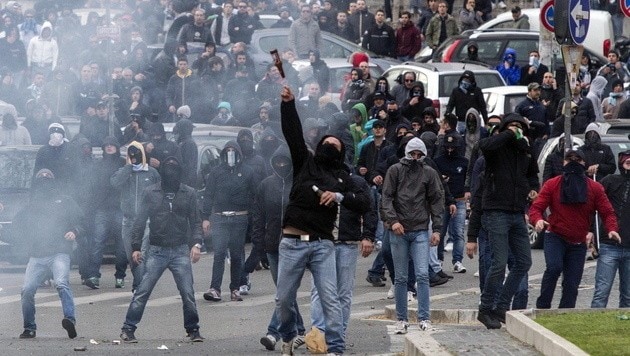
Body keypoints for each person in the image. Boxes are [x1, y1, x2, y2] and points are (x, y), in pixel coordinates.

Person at [275, 86, 370, 355]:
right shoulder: (305, 162)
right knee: (283, 299)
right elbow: (292, 132)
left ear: (340, 154)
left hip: (322, 245)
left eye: (335, 146)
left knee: (330, 298)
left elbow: (363, 202)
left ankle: (336, 348)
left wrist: (339, 196)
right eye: (327, 143)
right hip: (292, 241)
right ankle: (290, 335)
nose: (330, 146)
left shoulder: (343, 178)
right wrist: (288, 105)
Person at [119, 157, 204, 343]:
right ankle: (128, 328)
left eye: (174, 169)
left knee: (187, 292)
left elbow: (196, 221)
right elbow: (139, 222)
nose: (170, 172)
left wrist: (196, 244)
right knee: (143, 291)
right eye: (168, 169)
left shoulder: (188, 193)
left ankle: (193, 329)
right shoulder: (151, 192)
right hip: (157, 249)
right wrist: (135, 247)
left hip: (180, 249)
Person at [530, 150, 620, 309]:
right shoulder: (553, 184)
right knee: (554, 268)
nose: (572, 162)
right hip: (555, 235)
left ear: (584, 164)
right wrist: (537, 220)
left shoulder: (594, 187)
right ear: (563, 163)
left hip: (578, 241)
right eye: (569, 159)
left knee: (572, 282)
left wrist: (612, 229)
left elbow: (607, 212)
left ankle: (566, 312)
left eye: (577, 160)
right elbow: (536, 207)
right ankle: (542, 308)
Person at [476, 113, 539, 329]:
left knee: (524, 261)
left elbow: (533, 176)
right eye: (512, 126)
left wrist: (532, 189)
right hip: (496, 210)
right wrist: (507, 134)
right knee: (499, 263)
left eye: (520, 126)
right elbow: (484, 146)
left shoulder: (525, 150)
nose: (516, 129)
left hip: (516, 211)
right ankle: (485, 308)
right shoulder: (497, 147)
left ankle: (501, 307)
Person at [381, 137, 444, 334]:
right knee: (400, 277)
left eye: (419, 154)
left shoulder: (429, 173)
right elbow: (387, 198)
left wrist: (437, 229)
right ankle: (402, 319)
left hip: (419, 229)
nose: (416, 157)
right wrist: (393, 221)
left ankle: (424, 317)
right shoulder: (395, 170)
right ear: (406, 153)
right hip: (399, 229)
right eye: (412, 154)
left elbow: (436, 200)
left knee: (423, 275)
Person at [16, 169, 82, 339]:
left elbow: (81, 220)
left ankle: (70, 320)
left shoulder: (65, 201)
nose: (44, 182)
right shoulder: (32, 204)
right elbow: (18, 226)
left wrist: (75, 231)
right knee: (27, 290)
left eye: (48, 179)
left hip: (59, 252)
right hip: (37, 255)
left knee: (61, 283)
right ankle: (29, 328)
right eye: (41, 179)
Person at [310, 173, 376, 336]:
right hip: (322, 242)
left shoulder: (356, 183)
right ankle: (318, 332)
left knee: (343, 291)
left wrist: (367, 236)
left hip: (347, 242)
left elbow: (369, 208)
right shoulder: (316, 180)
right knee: (318, 289)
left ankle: (338, 333)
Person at [254, 145, 306, 351]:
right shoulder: (265, 186)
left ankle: (273, 333)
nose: (282, 165)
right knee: (285, 294)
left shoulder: (300, 185)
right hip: (272, 246)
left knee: (284, 293)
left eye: (286, 161)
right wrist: (259, 245)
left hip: (294, 246)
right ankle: (300, 330)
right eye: (278, 161)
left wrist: (306, 241)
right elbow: (258, 217)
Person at [202, 141, 258, 302]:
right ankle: (215, 288)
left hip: (240, 217)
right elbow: (208, 195)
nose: (230, 153)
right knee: (218, 253)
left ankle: (235, 288)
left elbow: (255, 194)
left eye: (234, 150)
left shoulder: (248, 172)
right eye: (228, 151)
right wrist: (206, 217)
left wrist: (253, 215)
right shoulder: (216, 172)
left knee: (236, 255)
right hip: (220, 217)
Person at [110, 142, 161, 292]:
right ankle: (141, 282)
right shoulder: (125, 172)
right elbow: (114, 182)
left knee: (141, 252)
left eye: (136, 153)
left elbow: (160, 193)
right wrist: (128, 168)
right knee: (130, 254)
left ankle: (139, 287)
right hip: (128, 220)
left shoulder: (151, 173)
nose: (134, 156)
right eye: (130, 154)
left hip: (146, 221)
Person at [591, 150, 630, 308]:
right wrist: (592, 234)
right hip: (609, 245)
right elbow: (593, 206)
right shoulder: (610, 180)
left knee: (628, 296)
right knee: (602, 292)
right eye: (627, 160)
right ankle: (594, 327)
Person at [434, 135, 469, 273]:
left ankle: (458, 261)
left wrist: (467, 191)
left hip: (459, 200)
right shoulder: (437, 161)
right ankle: (439, 259)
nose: (449, 150)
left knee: (458, 232)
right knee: (440, 231)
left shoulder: (464, 162)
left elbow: (468, 178)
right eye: (447, 147)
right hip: (442, 201)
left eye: (452, 147)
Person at [445, 70, 487, 134]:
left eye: (468, 80)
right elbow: (450, 105)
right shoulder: (456, 91)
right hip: (461, 121)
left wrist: (486, 122)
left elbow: (482, 107)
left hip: (474, 121)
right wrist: (447, 116)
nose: (465, 82)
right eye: (464, 79)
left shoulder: (477, 91)